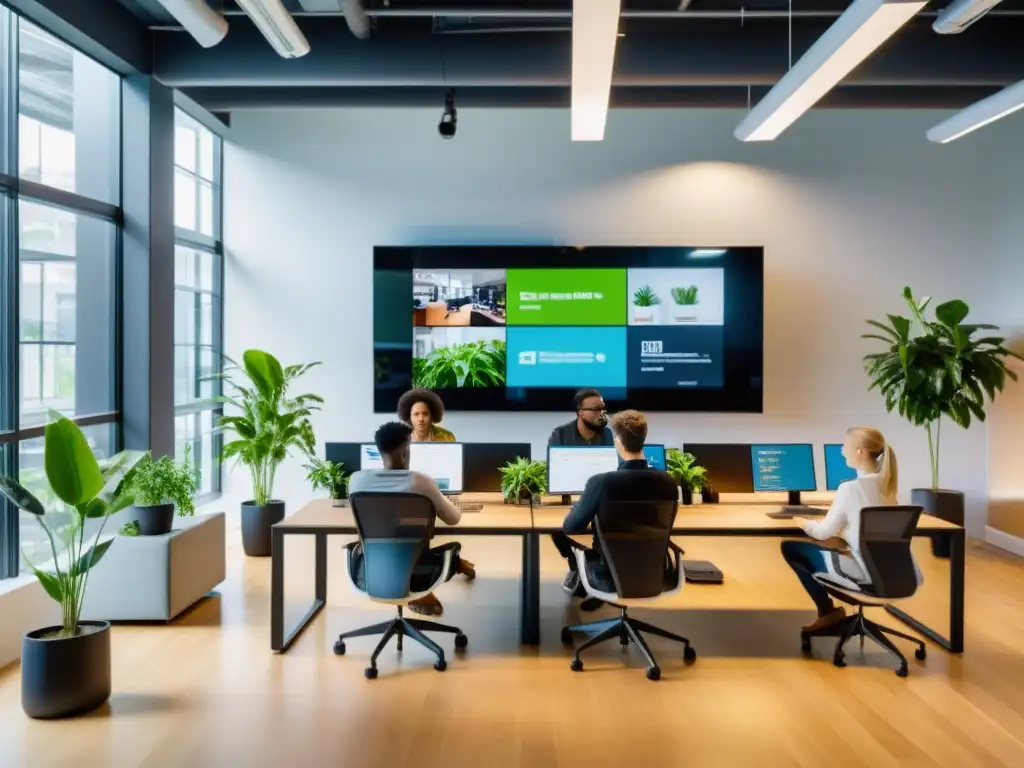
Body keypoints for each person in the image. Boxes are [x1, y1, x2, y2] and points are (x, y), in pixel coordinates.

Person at [553, 410, 679, 611]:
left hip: (608, 573)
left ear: (618, 442)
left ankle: (582, 577)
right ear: (643, 439)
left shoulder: (601, 482)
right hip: (655, 573)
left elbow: (571, 526)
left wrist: (582, 506)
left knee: (557, 533)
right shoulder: (668, 482)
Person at [781, 426, 899, 633]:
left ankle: (827, 612)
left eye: (845, 446)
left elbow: (821, 532)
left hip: (863, 574)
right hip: (894, 574)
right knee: (828, 544)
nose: (842, 451)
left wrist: (800, 521)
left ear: (860, 451)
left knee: (791, 548)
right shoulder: (888, 486)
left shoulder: (850, 489)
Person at [347, 421, 470, 617]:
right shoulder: (421, 482)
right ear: (405, 451)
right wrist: (438, 497)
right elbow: (453, 518)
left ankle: (418, 596)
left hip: (371, 572)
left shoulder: (356, 482)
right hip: (417, 572)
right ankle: (419, 594)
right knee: (445, 550)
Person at [397, 387, 475, 586]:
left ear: (433, 415)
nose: (421, 419)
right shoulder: (401, 438)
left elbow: (453, 468)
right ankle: (449, 563)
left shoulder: (446, 436)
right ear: (409, 417)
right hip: (411, 495)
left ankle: (439, 566)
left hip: (441, 492)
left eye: (425, 414)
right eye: (416, 414)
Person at [547, 389, 615, 447]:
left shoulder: (607, 434)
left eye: (603, 408)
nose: (602, 412)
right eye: (596, 409)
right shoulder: (560, 435)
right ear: (581, 412)